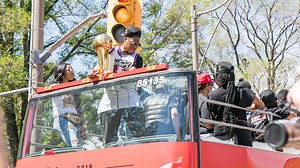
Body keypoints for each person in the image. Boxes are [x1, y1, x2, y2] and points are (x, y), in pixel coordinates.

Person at [90, 26, 144, 144]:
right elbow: (99, 67)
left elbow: (130, 75)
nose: (135, 47)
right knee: (110, 141)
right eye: (133, 43)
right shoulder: (110, 51)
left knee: (135, 138)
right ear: (125, 39)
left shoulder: (137, 58)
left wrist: (113, 75)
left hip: (129, 100)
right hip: (109, 101)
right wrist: (93, 73)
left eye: (138, 45)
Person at [206, 61, 265, 147]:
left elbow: (210, 122)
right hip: (242, 133)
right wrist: (250, 108)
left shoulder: (212, 96)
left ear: (218, 77)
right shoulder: (243, 92)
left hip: (221, 135)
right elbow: (261, 105)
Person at [51, 63, 86, 147]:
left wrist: (83, 123)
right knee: (74, 143)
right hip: (63, 117)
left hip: (75, 119)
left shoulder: (72, 88)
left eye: (72, 70)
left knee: (80, 145)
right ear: (62, 72)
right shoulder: (54, 86)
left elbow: (78, 107)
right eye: (69, 70)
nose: (72, 72)